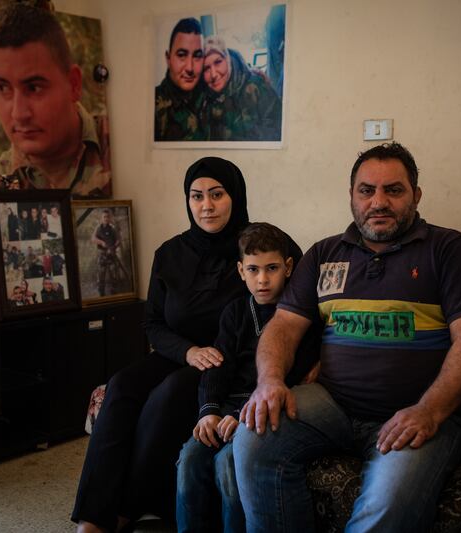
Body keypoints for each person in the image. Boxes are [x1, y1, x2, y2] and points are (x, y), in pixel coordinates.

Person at [233, 142, 461, 532]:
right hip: (331, 404)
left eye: (394, 190)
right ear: (352, 197)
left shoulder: (450, 249)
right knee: (253, 438)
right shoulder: (324, 254)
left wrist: (429, 410)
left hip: (417, 410)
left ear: (416, 196)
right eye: (366, 190)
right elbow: (283, 326)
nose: (379, 202)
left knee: (385, 507)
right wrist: (270, 381)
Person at [71, 157, 251, 533]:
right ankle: (92, 514)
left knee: (170, 394)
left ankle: (128, 508)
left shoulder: (254, 249)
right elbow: (152, 323)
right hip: (181, 352)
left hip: (227, 361)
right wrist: (187, 351)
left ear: (235, 196)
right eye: (197, 196)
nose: (206, 205)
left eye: (217, 195)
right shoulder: (170, 253)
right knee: (121, 386)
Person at [175, 223, 320, 533]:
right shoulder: (236, 313)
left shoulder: (300, 316)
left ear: (288, 267)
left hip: (267, 409)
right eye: (253, 270)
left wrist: (241, 416)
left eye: (272, 268)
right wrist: (210, 411)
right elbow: (219, 366)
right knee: (189, 459)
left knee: (227, 465)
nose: (263, 279)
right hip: (229, 406)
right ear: (241, 271)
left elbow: (294, 375)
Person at [0, 1, 111, 199]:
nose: (19, 114)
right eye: (2, 88)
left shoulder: (123, 149)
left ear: (73, 84)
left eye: (34, 88)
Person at [201, 36, 282, 141]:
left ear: (228, 59)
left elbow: (277, 131)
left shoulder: (256, 87)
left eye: (218, 62)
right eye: (206, 68)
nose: (213, 74)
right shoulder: (203, 99)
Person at [154, 18, 207, 141]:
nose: (190, 67)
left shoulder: (211, 93)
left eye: (197, 56)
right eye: (182, 55)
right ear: (168, 59)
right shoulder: (153, 106)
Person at [90, 209, 125, 296]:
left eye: (107, 217)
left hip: (111, 254)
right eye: (104, 217)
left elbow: (118, 240)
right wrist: (102, 242)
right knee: (101, 274)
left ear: (109, 218)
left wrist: (113, 247)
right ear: (101, 218)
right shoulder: (98, 228)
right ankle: (101, 293)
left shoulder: (112, 228)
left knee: (113, 274)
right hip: (102, 254)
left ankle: (114, 292)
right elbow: (93, 239)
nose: (106, 218)